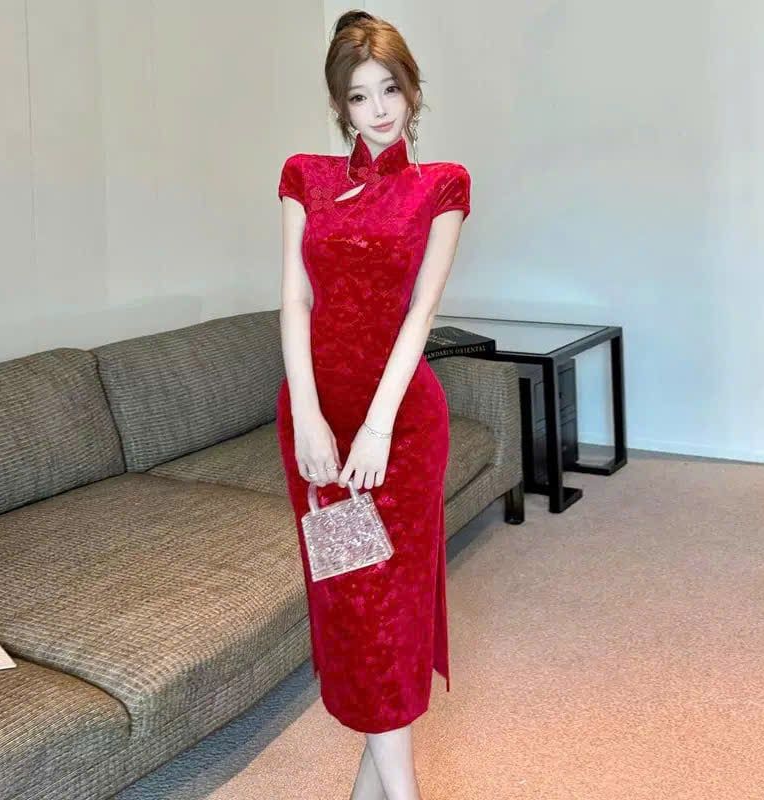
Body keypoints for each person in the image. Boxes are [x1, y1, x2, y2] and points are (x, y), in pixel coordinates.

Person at [275, 9, 471, 800]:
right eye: (359, 96)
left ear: (412, 90)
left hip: (401, 431)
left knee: (390, 612)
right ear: (339, 106)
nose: (378, 109)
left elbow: (421, 314)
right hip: (320, 435)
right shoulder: (304, 177)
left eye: (389, 89)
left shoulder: (441, 185)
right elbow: (294, 299)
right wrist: (310, 415)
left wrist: (379, 426)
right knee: (358, 612)